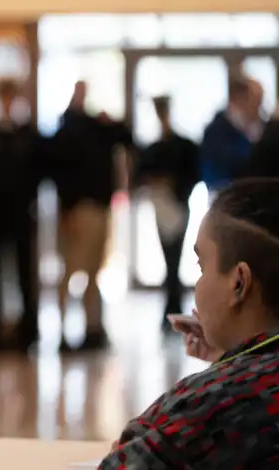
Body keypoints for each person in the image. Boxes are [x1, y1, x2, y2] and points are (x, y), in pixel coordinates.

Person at [102, 178, 279, 468]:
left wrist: (224, 377)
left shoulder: (209, 406)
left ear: (239, 283)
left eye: (201, 266)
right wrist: (231, 360)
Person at [50, 81, 133, 350]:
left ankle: (93, 328)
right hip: (80, 209)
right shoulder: (68, 131)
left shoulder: (98, 128)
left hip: (98, 207)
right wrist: (67, 209)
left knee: (93, 272)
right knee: (73, 272)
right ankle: (64, 331)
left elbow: (126, 137)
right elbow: (61, 173)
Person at [0, 79, 44, 352]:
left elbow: (36, 174)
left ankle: (27, 335)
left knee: (25, 275)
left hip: (21, 216)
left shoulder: (27, 135)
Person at [134, 95, 201, 323]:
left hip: (178, 205)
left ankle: (173, 306)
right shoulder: (153, 148)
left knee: (175, 256)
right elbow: (140, 176)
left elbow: (193, 174)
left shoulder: (183, 146)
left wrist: (173, 184)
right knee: (167, 257)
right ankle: (171, 306)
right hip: (161, 207)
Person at [201, 74, 264, 193]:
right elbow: (214, 175)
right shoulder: (216, 133)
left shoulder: (259, 129)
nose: (258, 108)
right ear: (238, 99)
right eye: (255, 101)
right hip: (227, 197)